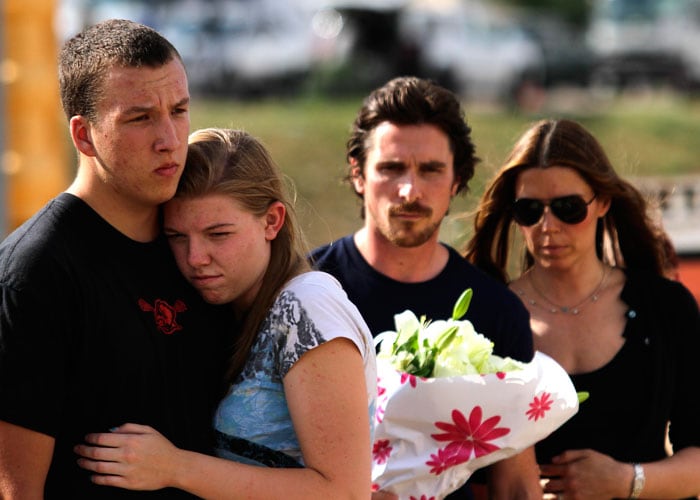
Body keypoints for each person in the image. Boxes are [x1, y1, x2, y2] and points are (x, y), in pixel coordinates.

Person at [74, 128, 378, 498]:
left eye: (218, 234)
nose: (195, 258)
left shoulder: (306, 305)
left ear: (272, 222)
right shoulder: (228, 305)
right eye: (177, 236)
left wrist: (175, 467)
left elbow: (345, 493)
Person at [0, 20, 233, 498]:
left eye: (180, 110)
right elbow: (17, 488)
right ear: (84, 136)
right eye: (140, 117)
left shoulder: (199, 246)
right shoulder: (35, 272)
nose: (170, 139)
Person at [310, 76, 541, 499]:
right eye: (391, 168)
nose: (409, 191)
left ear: (457, 181)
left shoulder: (496, 311)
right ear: (358, 174)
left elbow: (516, 484)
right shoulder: (305, 291)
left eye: (430, 170)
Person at [465, 118, 700, 500]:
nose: (548, 226)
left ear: (603, 201)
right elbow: (462, 474)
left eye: (568, 208)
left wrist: (625, 480)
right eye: (529, 210)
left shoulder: (666, 308)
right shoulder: (488, 319)